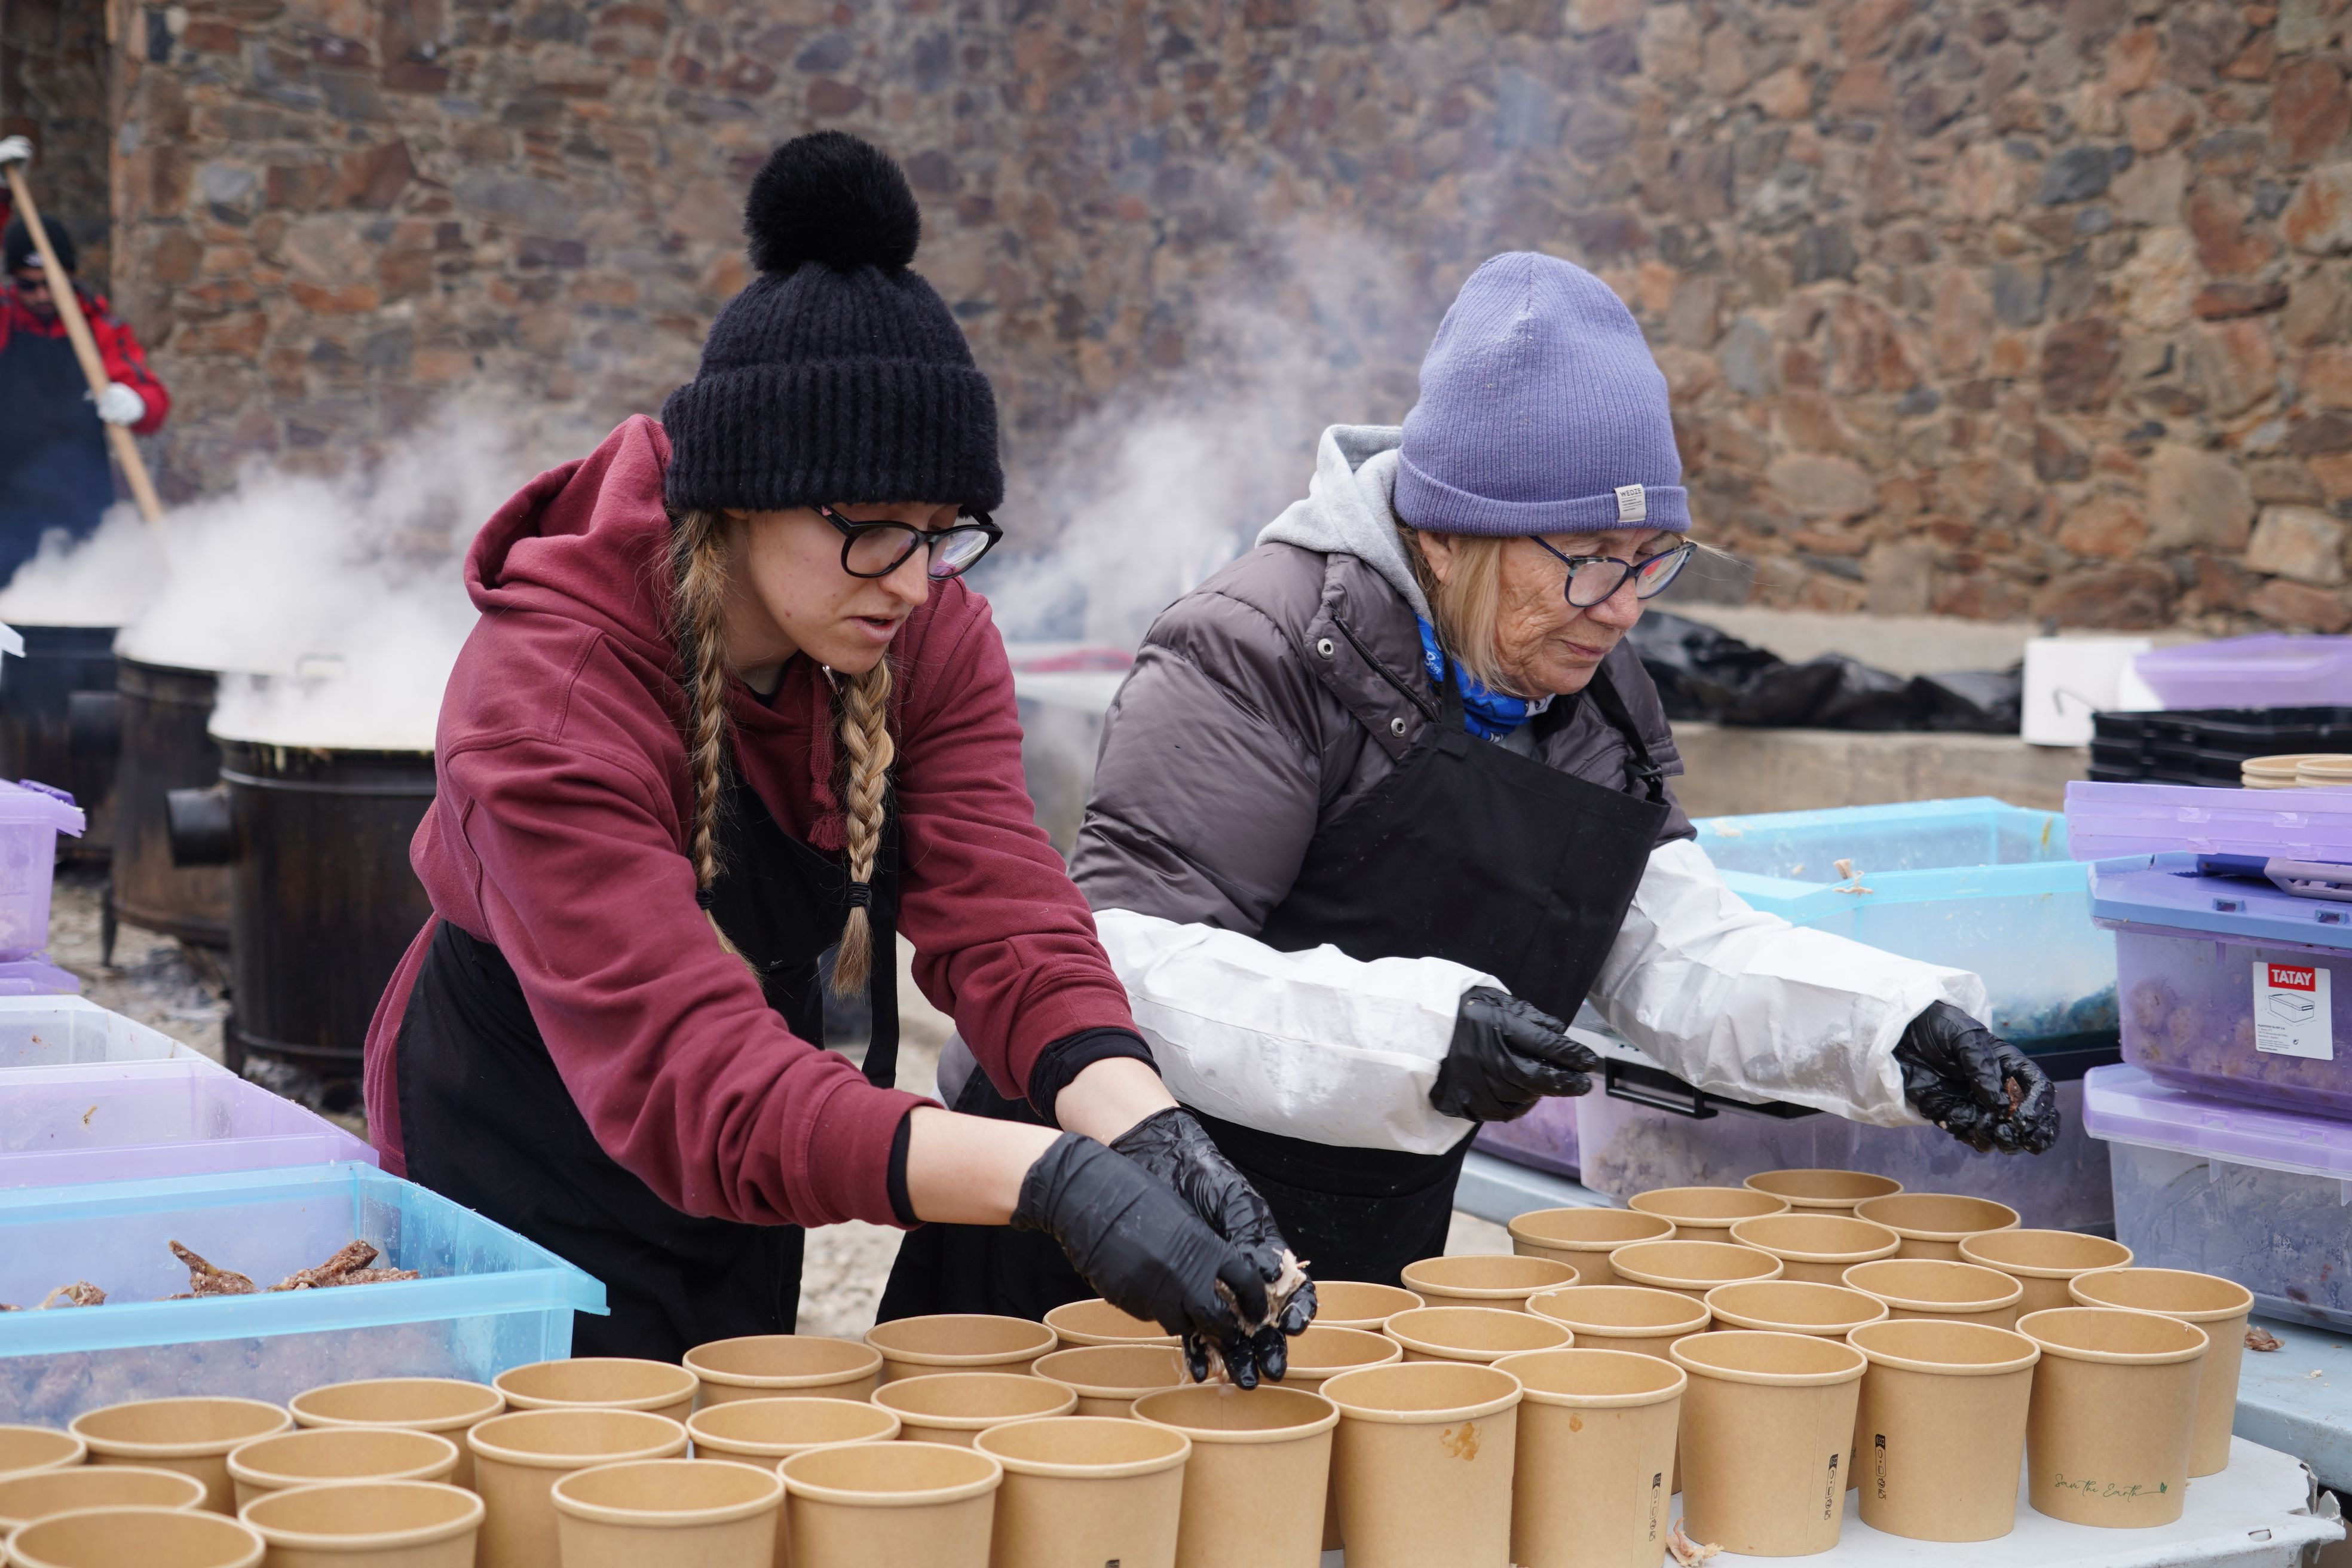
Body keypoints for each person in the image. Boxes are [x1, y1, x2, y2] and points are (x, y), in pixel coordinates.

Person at [363, 132, 1310, 1380]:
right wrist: (1052, 1179)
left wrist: (1148, 1131)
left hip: (752, 1133)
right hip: (527, 1151)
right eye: (874, 532)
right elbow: (688, 1074)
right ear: (746, 499)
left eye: (945, 534)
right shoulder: (548, 697)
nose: (918, 583)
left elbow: (1007, 916)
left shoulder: (916, 626)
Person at [1013, 252, 2055, 1286]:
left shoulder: (1591, 682)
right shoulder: (1256, 648)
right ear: (1448, 536)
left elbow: (1667, 950)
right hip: (1115, 1226)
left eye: (1654, 553)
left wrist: (1891, 1030)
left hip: (1363, 1231)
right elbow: (1123, 970)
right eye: (1592, 552)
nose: (1627, 601)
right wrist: (1423, 1036)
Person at [0, 137, 169, 583]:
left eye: (46, 283)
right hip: (6, 506)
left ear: (69, 274)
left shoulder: (99, 326)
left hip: (80, 506)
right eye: (27, 284)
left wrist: (135, 402)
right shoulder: (4, 316)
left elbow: (152, 399)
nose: (39, 295)